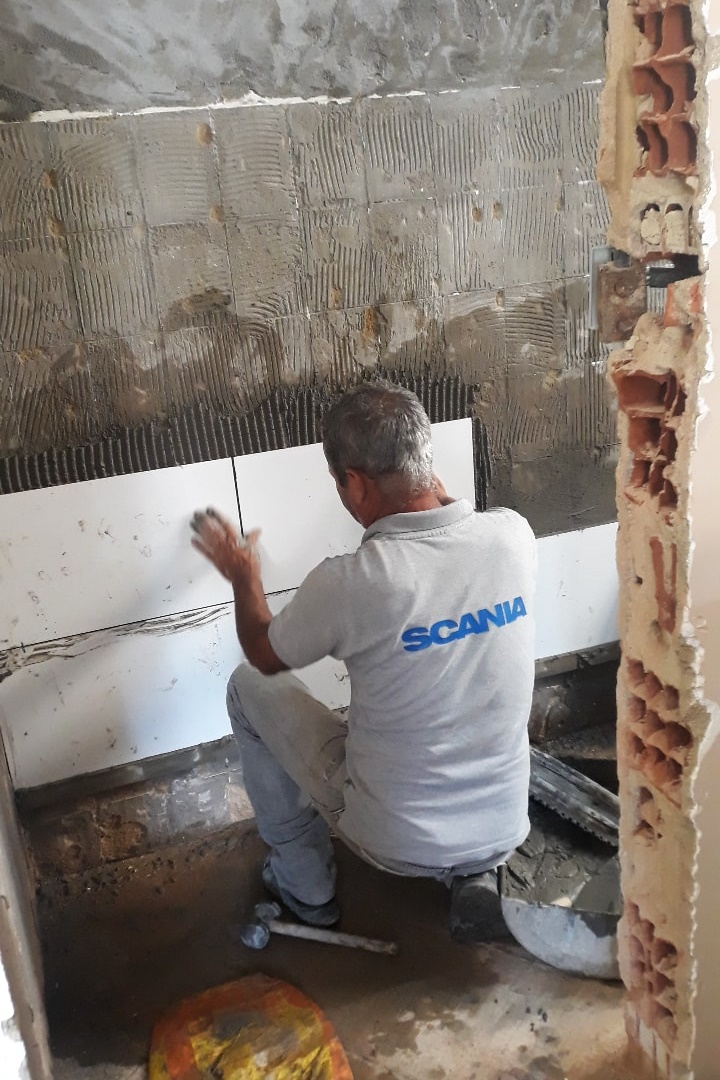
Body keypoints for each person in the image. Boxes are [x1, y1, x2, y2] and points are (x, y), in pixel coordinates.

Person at [191, 381, 536, 929]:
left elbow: (264, 653)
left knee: (246, 688)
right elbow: (446, 528)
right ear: (425, 458)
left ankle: (305, 886)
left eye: (339, 483)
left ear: (354, 482)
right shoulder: (512, 537)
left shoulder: (353, 582)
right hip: (505, 829)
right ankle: (473, 873)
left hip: (394, 842)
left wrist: (243, 574)